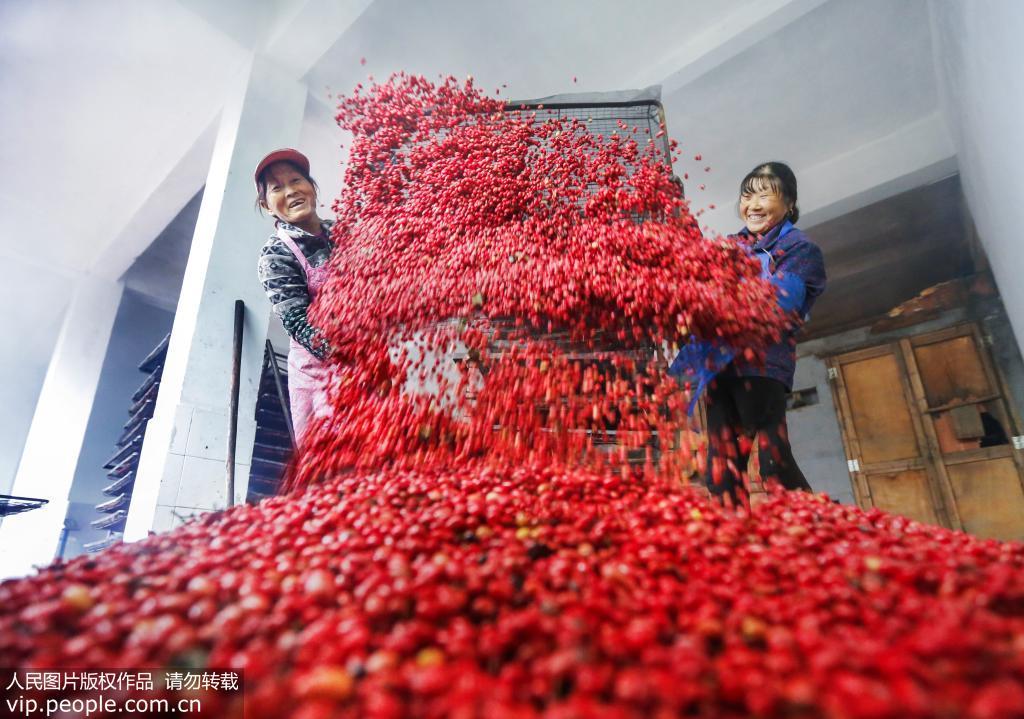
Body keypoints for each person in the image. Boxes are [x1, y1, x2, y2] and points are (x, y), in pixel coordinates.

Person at [674, 162, 826, 505]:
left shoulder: (800, 250)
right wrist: (678, 213)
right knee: (722, 469)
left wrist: (725, 302)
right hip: (719, 365)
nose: (753, 204)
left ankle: (815, 528)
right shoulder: (732, 245)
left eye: (765, 195)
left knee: (774, 462)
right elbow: (695, 263)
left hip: (761, 364)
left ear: (789, 204)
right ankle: (734, 541)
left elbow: (782, 302)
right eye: (747, 195)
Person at [255, 148, 334, 445]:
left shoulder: (345, 234)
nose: (290, 191)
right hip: (319, 378)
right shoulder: (276, 254)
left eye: (296, 180)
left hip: (367, 371)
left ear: (311, 187)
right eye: (277, 188)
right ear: (266, 204)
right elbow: (298, 323)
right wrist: (352, 358)